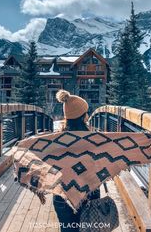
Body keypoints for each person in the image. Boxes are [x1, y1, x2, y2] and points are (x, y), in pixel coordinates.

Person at [53, 90, 100, 232]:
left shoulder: (56, 140)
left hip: (63, 195)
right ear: (82, 117)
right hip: (89, 194)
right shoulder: (94, 140)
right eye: (86, 112)